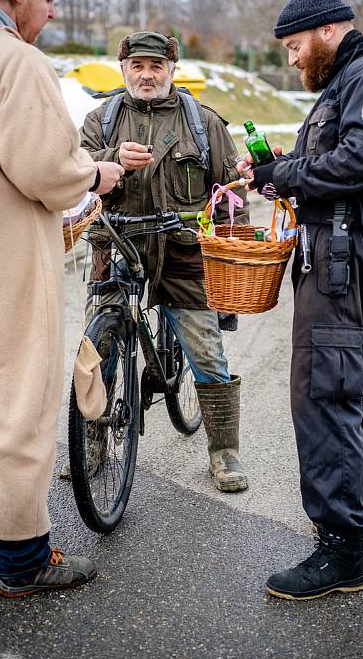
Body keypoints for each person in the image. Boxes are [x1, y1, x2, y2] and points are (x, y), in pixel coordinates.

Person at [0, 0, 125, 598]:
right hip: (5, 250)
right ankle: (23, 555)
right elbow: (46, 170)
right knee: (21, 399)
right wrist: (98, 174)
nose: (51, 13)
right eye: (49, 0)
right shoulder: (17, 63)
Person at [239, 0, 363, 600]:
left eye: (294, 46)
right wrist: (273, 170)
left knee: (324, 387)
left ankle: (339, 551)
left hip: (347, 253)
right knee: (345, 376)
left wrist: (284, 175)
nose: (292, 59)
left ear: (326, 31)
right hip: (344, 249)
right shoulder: (348, 81)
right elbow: (332, 156)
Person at [77, 30, 250, 492]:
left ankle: (224, 453)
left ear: (172, 70)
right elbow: (72, 170)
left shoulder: (203, 122)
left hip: (184, 254)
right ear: (124, 70)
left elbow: (233, 193)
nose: (147, 74)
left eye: (157, 66)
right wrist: (113, 159)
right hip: (116, 246)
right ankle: (92, 443)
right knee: (98, 352)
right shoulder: (102, 119)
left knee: (206, 351)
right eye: (138, 66)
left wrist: (230, 253)